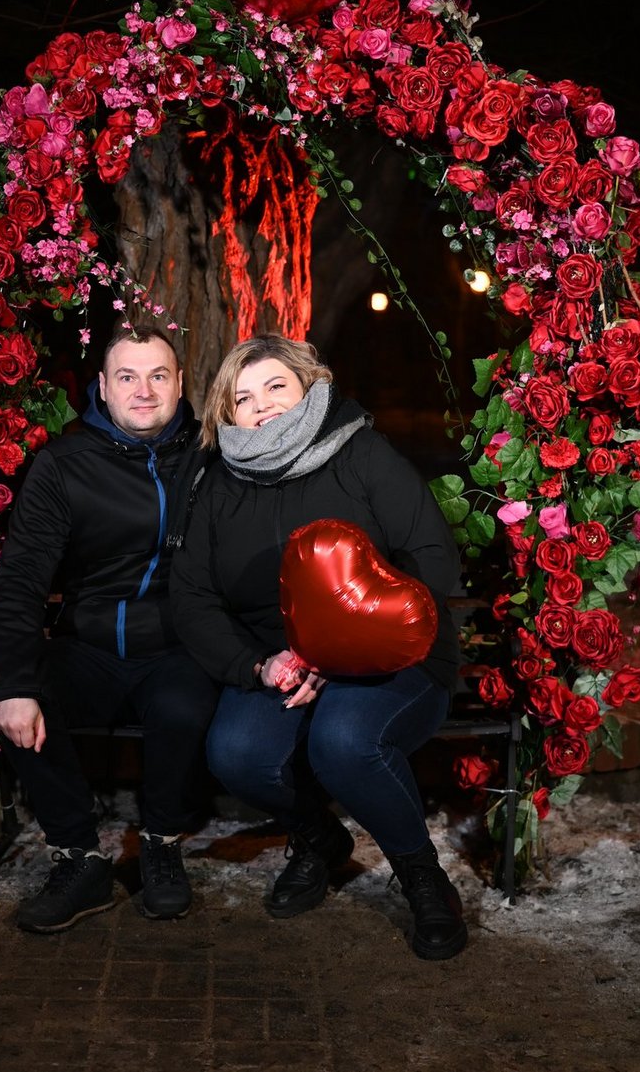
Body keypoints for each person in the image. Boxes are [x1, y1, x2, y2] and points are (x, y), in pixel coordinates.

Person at [169, 334, 468, 960]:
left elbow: (433, 557)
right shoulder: (219, 483)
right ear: (229, 414)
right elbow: (192, 597)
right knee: (236, 752)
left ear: (310, 385)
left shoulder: (360, 453)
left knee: (344, 742)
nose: (263, 405)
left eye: (277, 386)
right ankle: (319, 839)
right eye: (243, 398)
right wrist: (260, 663)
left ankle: (421, 876)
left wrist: (344, 646)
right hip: (283, 662)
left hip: (390, 648)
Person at [0, 323, 219, 933]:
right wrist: (14, 681)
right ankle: (79, 856)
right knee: (26, 705)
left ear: (178, 385)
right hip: (87, 642)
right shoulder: (63, 465)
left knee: (182, 707)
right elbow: (20, 580)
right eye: (127, 377)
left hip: (176, 645)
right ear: (103, 388)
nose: (142, 390)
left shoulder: (213, 455)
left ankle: (162, 845)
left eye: (157, 376)